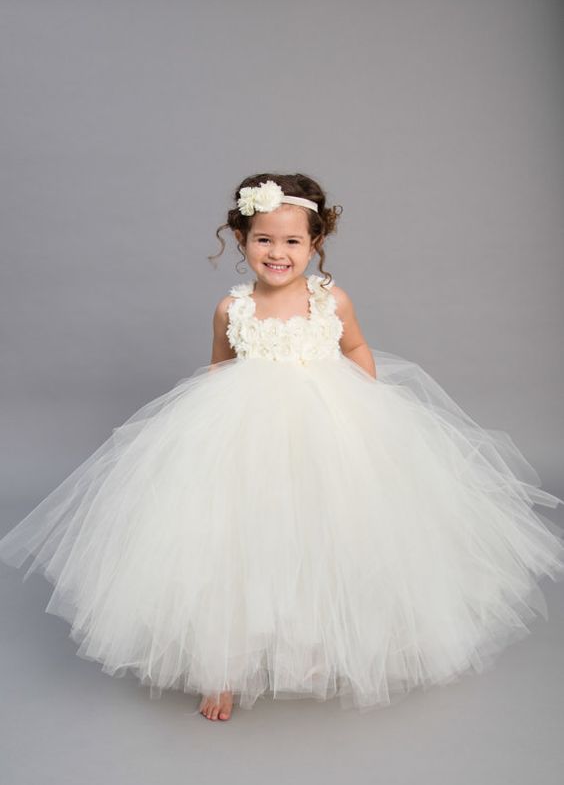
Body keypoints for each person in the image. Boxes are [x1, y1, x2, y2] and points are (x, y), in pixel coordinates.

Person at [1, 172, 563, 724]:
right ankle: (221, 665)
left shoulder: (331, 300)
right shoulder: (232, 309)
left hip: (326, 430)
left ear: (315, 244)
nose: (277, 253)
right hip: (248, 437)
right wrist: (209, 431)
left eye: (292, 241)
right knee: (236, 543)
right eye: (263, 239)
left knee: (322, 534)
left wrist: (366, 408)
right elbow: (219, 368)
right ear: (240, 240)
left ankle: (313, 645)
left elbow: (357, 347)